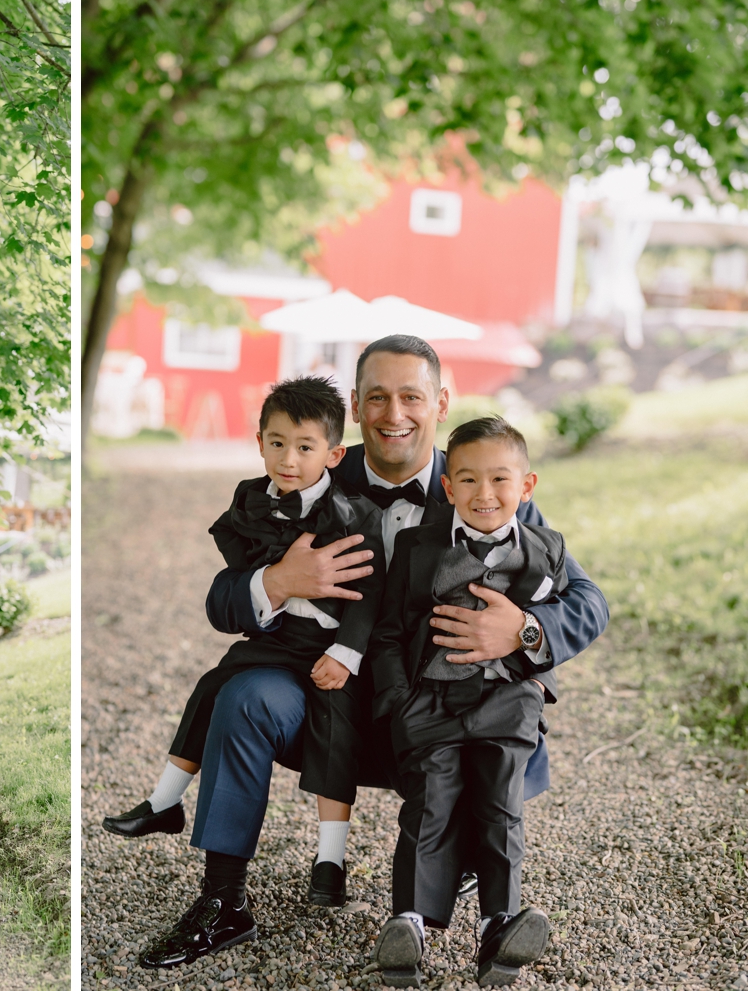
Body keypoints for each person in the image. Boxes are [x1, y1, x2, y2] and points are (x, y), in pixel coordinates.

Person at [136, 336, 610, 969]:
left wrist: (523, 630)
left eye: (411, 397)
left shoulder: (483, 480)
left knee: (497, 732)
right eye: (378, 398)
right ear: (354, 406)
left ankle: (472, 881)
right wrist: (274, 582)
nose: (394, 414)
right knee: (241, 696)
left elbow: (589, 601)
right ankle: (222, 903)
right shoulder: (307, 468)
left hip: (442, 705)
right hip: (320, 694)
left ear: (440, 403)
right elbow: (222, 600)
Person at [102, 377, 385, 908]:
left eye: (305, 447)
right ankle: (165, 801)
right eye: (277, 443)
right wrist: (272, 579)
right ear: (259, 442)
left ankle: (330, 860)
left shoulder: (353, 514)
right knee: (215, 686)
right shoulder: (252, 499)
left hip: (330, 650)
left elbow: (370, 592)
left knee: (333, 728)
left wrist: (346, 653)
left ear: (334, 453)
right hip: (279, 637)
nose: (289, 458)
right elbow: (232, 580)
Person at [369, 418, 576, 988]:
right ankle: (408, 924)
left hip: (508, 701)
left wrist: (535, 683)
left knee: (500, 805)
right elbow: (389, 631)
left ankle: (499, 925)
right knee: (429, 803)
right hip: (429, 699)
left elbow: (556, 625)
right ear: (448, 487)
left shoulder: (547, 552)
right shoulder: (418, 547)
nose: (485, 495)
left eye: (500, 480)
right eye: (468, 480)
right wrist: (398, 701)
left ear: (527, 486)